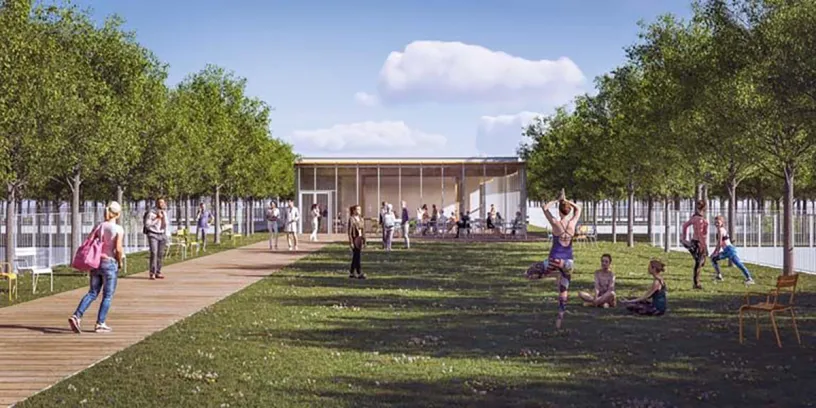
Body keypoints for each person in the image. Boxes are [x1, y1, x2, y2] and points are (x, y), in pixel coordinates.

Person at [525, 190, 581, 329]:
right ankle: (560, 317)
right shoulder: (573, 223)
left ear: (559, 211)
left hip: (555, 259)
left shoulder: (556, 223)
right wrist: (567, 201)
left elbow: (544, 208)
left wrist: (557, 200)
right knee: (563, 289)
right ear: (568, 211)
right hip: (568, 262)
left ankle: (545, 274)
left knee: (529, 273)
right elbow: (578, 208)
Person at [69, 201, 124, 334]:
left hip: (96, 262)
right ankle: (100, 323)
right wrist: (120, 261)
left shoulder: (99, 226)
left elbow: (89, 240)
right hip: (109, 263)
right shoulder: (118, 229)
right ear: (118, 214)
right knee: (107, 296)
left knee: (92, 292)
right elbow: (118, 248)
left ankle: (77, 315)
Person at [711, 215, 755, 285]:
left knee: (739, 264)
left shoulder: (720, 230)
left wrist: (715, 252)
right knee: (713, 259)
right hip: (727, 250)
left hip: (729, 250)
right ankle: (719, 276)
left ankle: (749, 278)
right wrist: (715, 253)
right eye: (715, 222)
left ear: (722, 223)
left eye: (718, 223)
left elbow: (719, 243)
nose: (716, 224)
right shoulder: (720, 230)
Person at [681, 199, 709, 289]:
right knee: (699, 263)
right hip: (699, 243)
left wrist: (684, 238)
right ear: (704, 209)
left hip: (694, 241)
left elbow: (685, 225)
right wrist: (704, 246)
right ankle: (696, 283)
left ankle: (696, 282)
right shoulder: (700, 220)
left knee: (700, 262)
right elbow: (701, 234)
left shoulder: (694, 218)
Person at [144, 198, 168, 280]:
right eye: (160, 202)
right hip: (153, 234)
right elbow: (147, 225)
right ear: (156, 203)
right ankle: (152, 272)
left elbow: (166, 224)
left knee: (160, 254)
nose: (162, 204)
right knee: (154, 253)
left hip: (162, 234)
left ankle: (158, 271)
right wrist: (157, 218)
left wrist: (166, 235)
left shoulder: (164, 212)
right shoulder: (151, 213)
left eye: (163, 202)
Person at [347, 205, 366, 279]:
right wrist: (351, 242)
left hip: (360, 238)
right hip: (355, 238)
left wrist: (364, 241)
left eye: (360, 209)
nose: (359, 211)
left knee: (356, 256)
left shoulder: (361, 219)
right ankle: (359, 272)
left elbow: (363, 230)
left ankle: (351, 272)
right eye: (357, 209)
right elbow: (349, 232)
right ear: (354, 210)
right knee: (357, 256)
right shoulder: (351, 219)